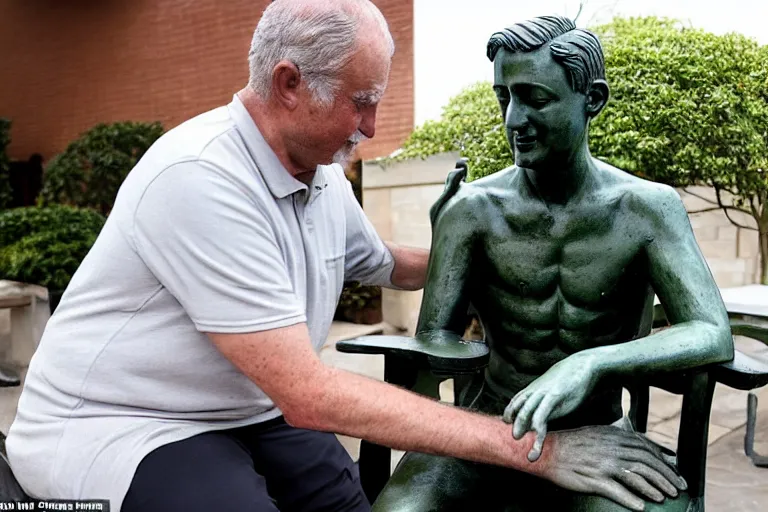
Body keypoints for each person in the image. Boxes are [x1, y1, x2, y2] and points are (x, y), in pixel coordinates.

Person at [7, 4, 687, 512]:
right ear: (289, 83)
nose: (370, 128)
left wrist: (486, 244)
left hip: (246, 410)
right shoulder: (199, 178)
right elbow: (310, 394)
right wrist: (543, 452)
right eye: (361, 103)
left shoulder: (318, 176)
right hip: (126, 424)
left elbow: (390, 262)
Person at [373, 15, 733, 512]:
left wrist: (590, 362)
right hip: (484, 434)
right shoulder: (470, 210)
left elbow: (711, 331)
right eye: (505, 97)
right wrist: (456, 270)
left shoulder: (648, 207)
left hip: (598, 437)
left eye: (535, 99)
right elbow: (435, 343)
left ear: (594, 100)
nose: (514, 120)